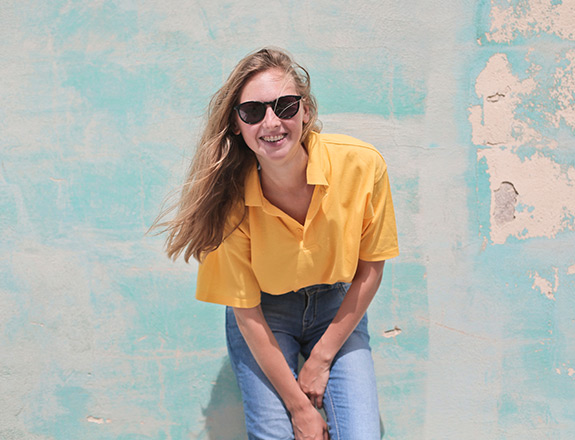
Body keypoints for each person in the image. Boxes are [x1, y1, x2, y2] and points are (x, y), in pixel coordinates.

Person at [155, 47, 398, 440]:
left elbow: (371, 268)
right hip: (265, 314)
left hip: (337, 307)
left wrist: (320, 359)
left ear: (306, 111)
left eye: (285, 106)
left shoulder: (362, 165)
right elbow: (246, 312)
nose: (271, 122)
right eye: (252, 111)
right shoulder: (227, 201)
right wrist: (301, 409)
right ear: (236, 124)